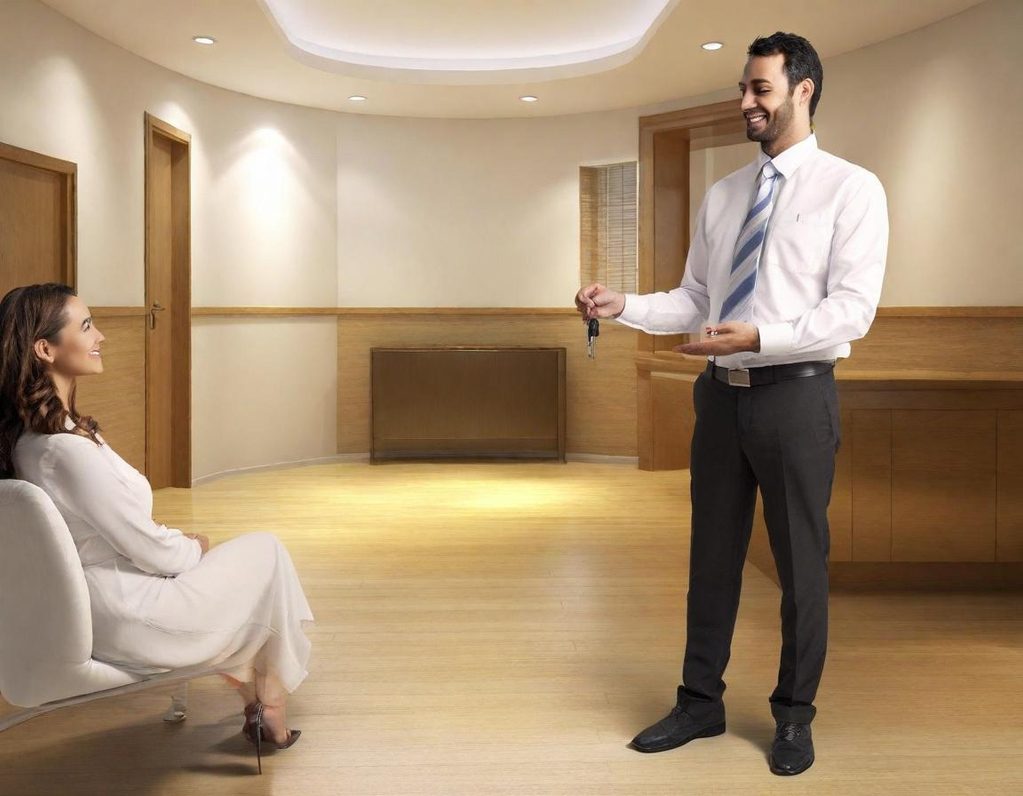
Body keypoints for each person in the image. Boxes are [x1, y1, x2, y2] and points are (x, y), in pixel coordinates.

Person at [575, 32, 888, 776]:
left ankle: (793, 716)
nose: (745, 101)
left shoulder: (851, 189)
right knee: (710, 557)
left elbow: (851, 310)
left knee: (799, 566)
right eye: (743, 88)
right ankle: (699, 702)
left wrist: (762, 336)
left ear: (803, 90)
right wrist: (624, 306)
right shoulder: (724, 196)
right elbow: (695, 300)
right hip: (719, 401)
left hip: (797, 398)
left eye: (760, 89)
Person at [0, 282, 314, 773]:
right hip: (130, 614)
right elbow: (147, 549)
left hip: (103, 603)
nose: (100, 336)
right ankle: (268, 699)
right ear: (45, 349)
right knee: (268, 552)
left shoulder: (33, 441)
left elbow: (125, 536)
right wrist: (193, 548)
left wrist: (175, 547)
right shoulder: (64, 451)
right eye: (86, 326)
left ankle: (260, 695)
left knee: (253, 573)